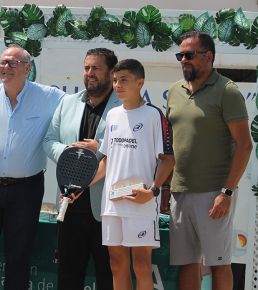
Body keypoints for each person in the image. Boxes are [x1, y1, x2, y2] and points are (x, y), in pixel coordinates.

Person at [0, 45, 65, 290]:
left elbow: (82, 104)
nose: (6, 67)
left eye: (13, 63)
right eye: (2, 62)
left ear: (28, 69)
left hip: (26, 190)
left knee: (19, 258)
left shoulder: (50, 96)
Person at [166, 31, 252, 290]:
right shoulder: (174, 91)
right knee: (188, 263)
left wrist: (226, 192)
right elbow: (171, 147)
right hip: (180, 192)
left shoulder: (227, 91)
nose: (184, 60)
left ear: (208, 56)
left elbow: (245, 145)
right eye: (180, 55)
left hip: (215, 192)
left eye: (189, 55)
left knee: (218, 263)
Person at [91, 59, 175, 290]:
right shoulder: (113, 116)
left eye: (124, 80)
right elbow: (107, 160)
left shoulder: (153, 115)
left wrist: (153, 192)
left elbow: (168, 159)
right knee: (116, 264)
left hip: (141, 203)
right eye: (115, 80)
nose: (117, 85)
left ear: (140, 82)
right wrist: (81, 186)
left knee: (141, 265)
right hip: (112, 204)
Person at [43, 47, 119, 290]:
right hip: (70, 204)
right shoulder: (68, 103)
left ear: (111, 72)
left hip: (106, 209)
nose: (90, 73)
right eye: (87, 68)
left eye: (96, 68)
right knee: (68, 275)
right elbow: (48, 141)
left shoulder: (122, 107)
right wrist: (69, 155)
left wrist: (100, 148)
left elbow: (131, 150)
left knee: (108, 276)